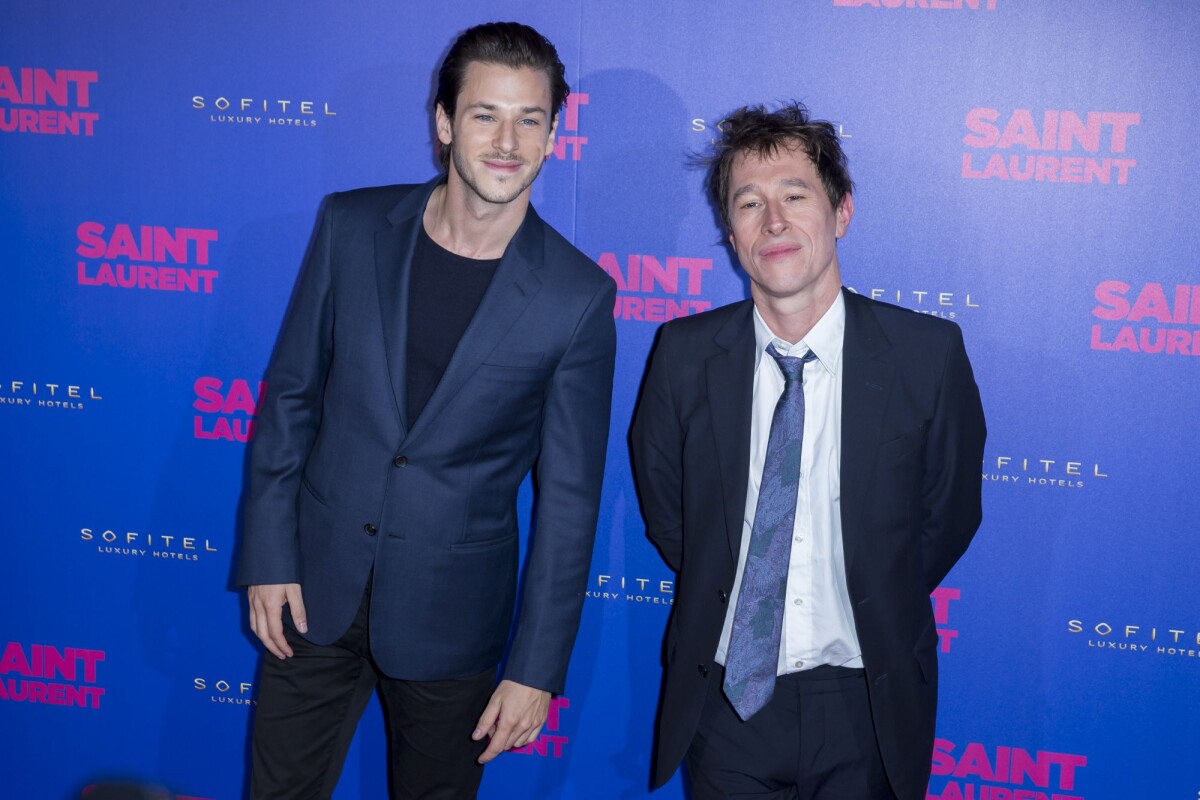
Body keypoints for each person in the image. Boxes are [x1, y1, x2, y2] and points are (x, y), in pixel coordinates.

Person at [236, 21, 616, 799]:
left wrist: (536, 670)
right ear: (444, 124)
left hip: (454, 624)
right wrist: (269, 554)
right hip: (314, 593)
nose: (506, 141)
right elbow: (290, 398)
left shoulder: (579, 298)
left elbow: (570, 505)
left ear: (552, 135)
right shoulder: (350, 227)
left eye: (529, 119)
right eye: (485, 114)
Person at [631, 102, 986, 800]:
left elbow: (947, 520)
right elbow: (672, 520)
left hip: (866, 704)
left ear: (841, 210)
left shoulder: (926, 355)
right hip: (725, 706)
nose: (774, 222)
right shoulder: (682, 355)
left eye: (795, 195)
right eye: (749, 203)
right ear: (729, 234)